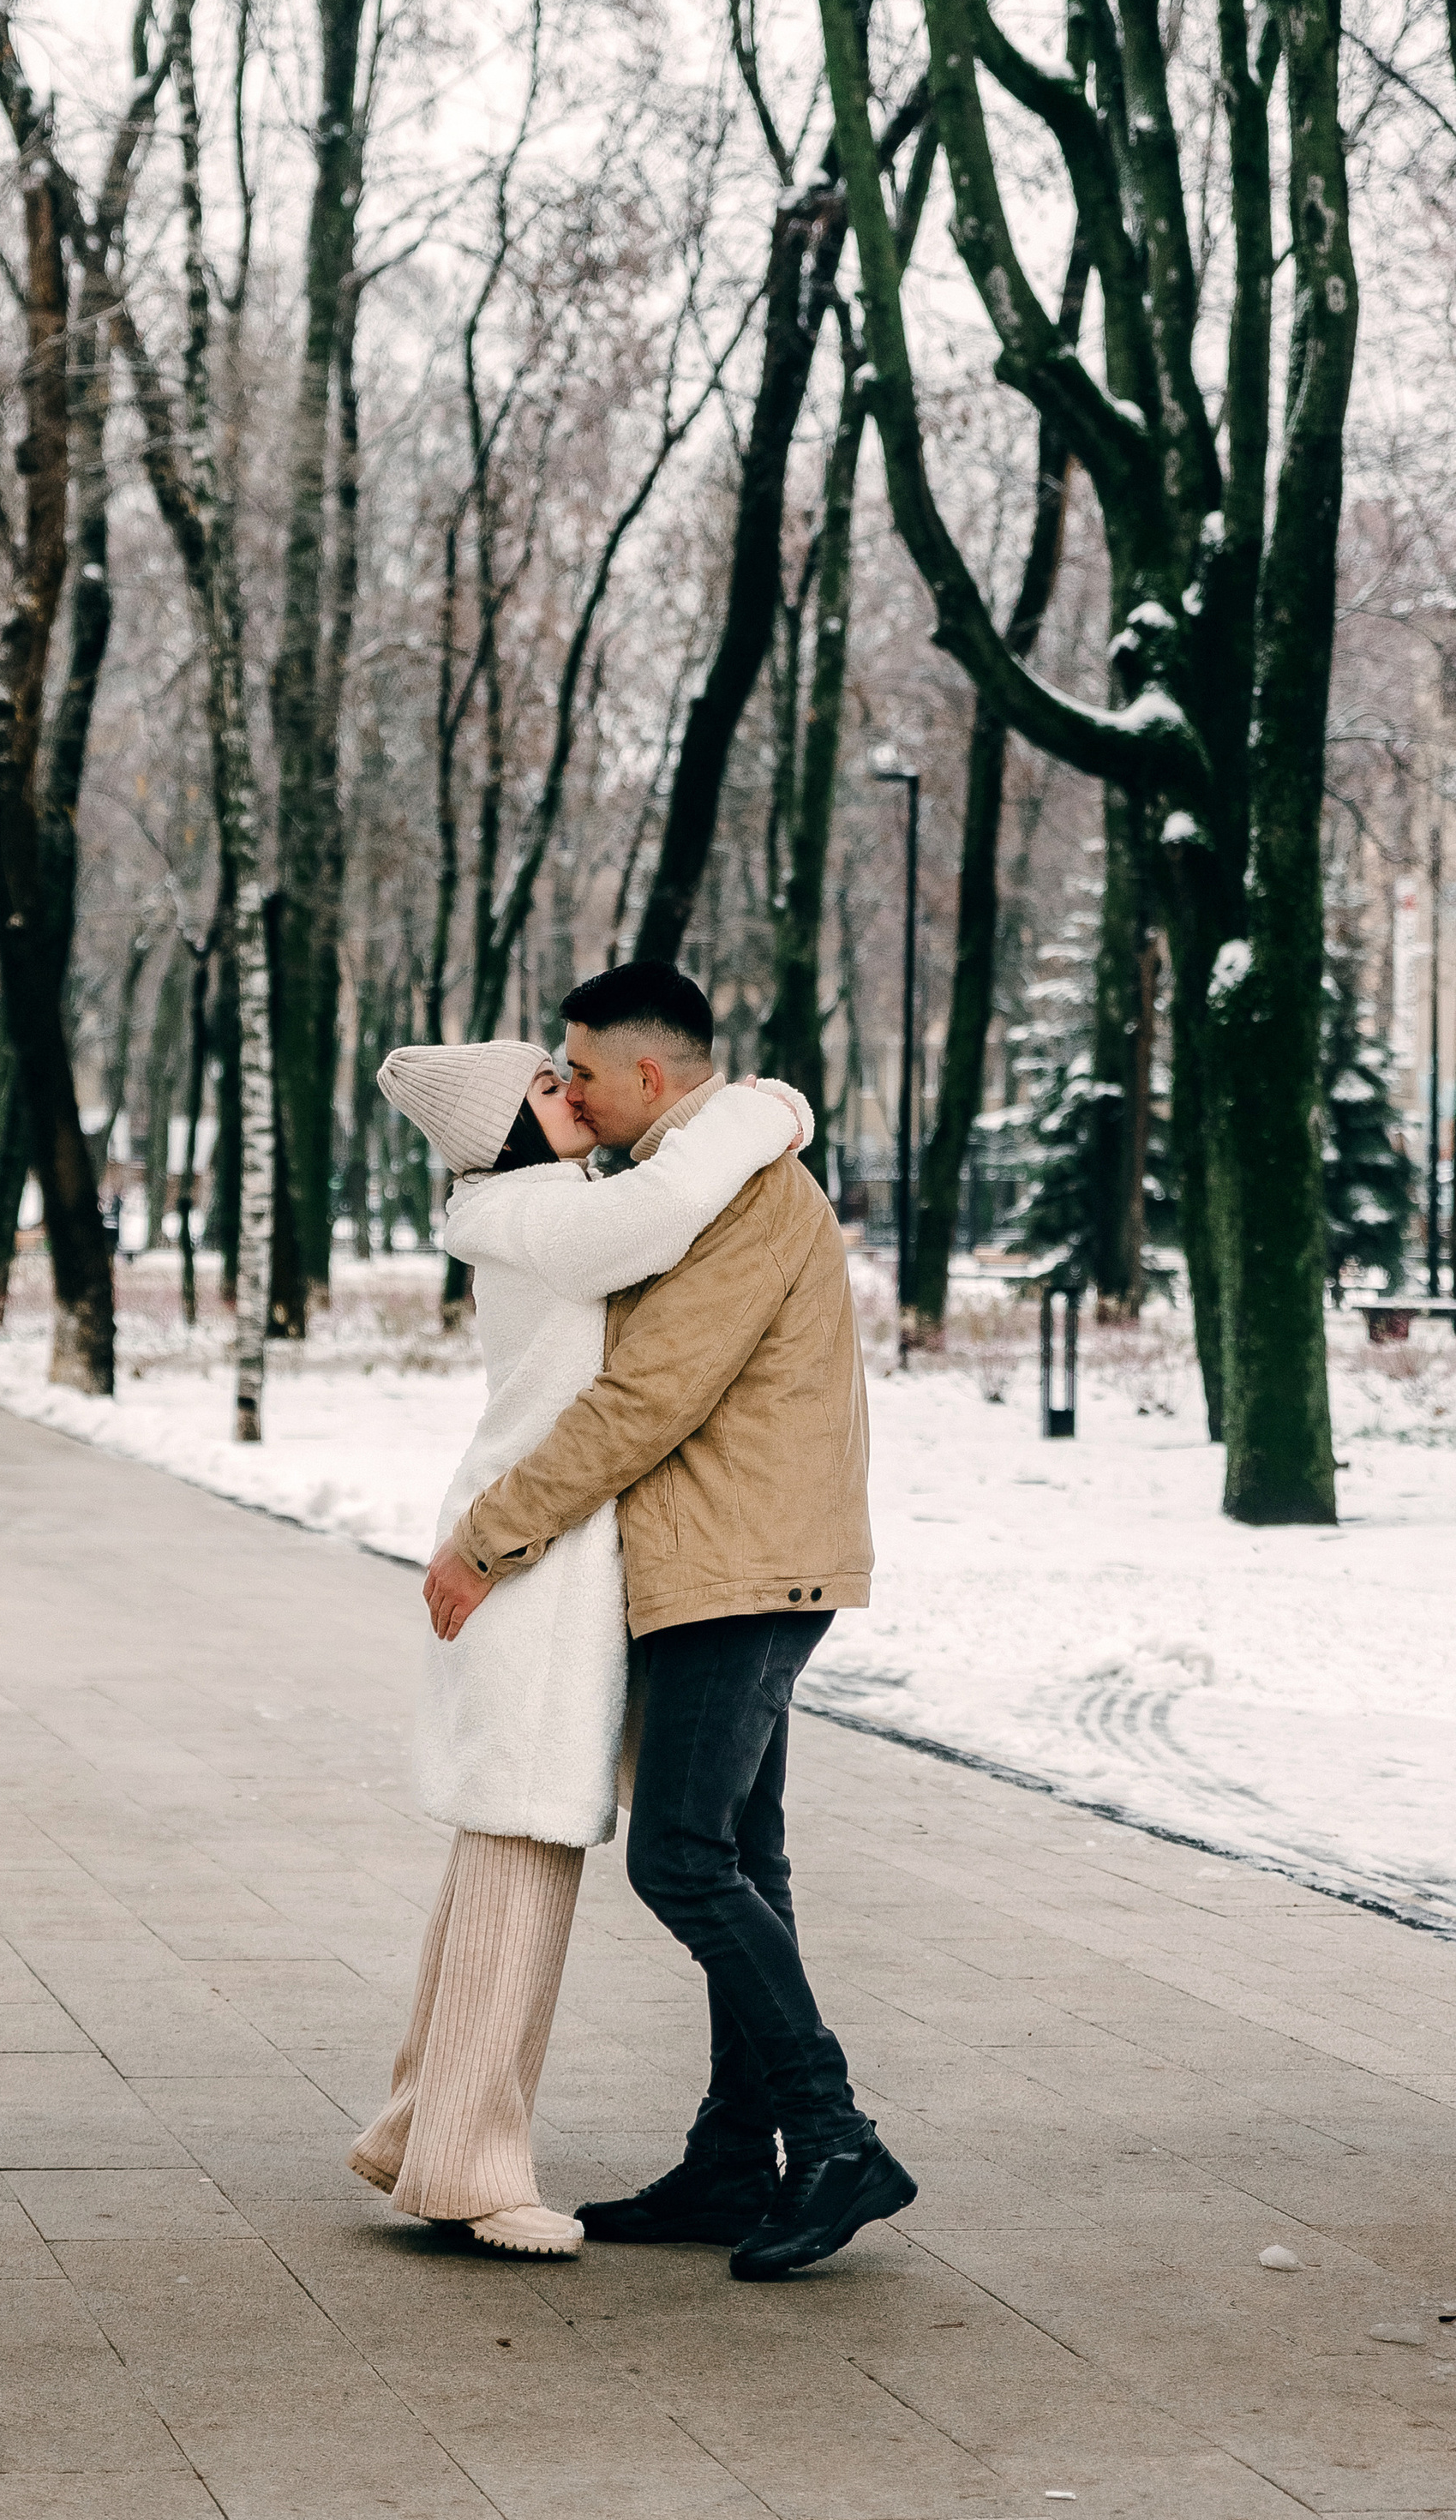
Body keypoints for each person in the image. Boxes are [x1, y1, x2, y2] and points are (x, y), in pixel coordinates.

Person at [422, 959, 917, 2282]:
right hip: (723, 1558)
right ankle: (729, 2157)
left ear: (650, 1076)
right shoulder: (683, 1177)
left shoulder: (743, 1187)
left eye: (579, 1069)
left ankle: (833, 2134)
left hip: (740, 1565)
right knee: (742, 1857)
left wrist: (489, 1536)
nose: (569, 1089)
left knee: (684, 1861)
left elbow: (649, 1395)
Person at [351, 1036, 812, 2257]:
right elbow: (664, 1210)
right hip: (530, 1570)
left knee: (497, 1858)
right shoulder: (542, 1212)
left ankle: (419, 2132)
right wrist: (769, 1108)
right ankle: (470, 2173)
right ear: (504, 1130)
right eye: (548, 1091)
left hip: (534, 1562)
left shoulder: (533, 1205)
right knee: (522, 1858)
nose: (576, 1096)